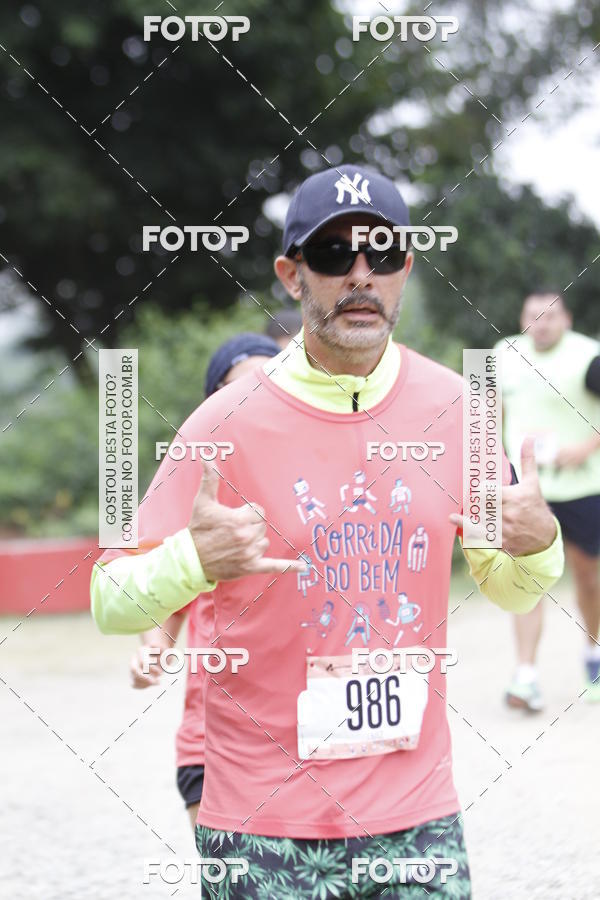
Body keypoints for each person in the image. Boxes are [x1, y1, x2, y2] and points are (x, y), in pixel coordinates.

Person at [92, 165, 564, 899]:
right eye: (333, 255)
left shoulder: (461, 410)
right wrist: (191, 558)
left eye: (383, 254)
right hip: (261, 823)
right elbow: (108, 597)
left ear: (407, 267)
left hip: (417, 817)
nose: (361, 275)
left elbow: (508, 587)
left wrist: (541, 547)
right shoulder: (222, 422)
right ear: (291, 275)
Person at [128, 333, 282, 828]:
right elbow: (161, 592)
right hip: (214, 737)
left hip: (314, 733)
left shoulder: (318, 481)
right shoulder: (193, 493)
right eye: (240, 389)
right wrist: (154, 647)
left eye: (270, 382)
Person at [497, 291, 600, 711]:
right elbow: (486, 412)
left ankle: (593, 652)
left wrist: (587, 447)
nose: (541, 323)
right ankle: (525, 678)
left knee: (588, 578)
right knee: (527, 578)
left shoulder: (589, 354)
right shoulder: (502, 353)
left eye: (550, 315)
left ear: (567, 319)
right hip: (527, 487)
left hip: (581, 485)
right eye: (533, 315)